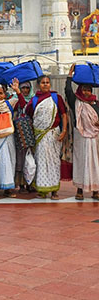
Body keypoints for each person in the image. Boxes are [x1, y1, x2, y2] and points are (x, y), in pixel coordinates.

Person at [25, 75, 68, 200]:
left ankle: (54, 190)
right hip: (39, 135)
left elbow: (64, 114)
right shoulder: (34, 100)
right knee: (41, 162)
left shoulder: (56, 98)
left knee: (54, 162)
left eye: (47, 82)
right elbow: (28, 115)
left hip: (54, 134)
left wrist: (64, 131)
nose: (45, 84)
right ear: (38, 85)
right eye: (43, 82)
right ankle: (42, 190)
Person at [65, 65, 99, 200]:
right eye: (84, 90)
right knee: (81, 162)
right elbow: (68, 91)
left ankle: (95, 190)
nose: (86, 93)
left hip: (95, 137)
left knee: (95, 162)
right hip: (80, 136)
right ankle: (79, 189)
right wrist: (69, 75)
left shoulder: (96, 103)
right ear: (80, 90)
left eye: (88, 90)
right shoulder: (76, 102)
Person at [14, 81, 35, 193]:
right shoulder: (15, 100)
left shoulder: (34, 99)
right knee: (20, 159)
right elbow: (21, 105)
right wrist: (17, 92)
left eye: (27, 88)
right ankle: (21, 184)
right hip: (19, 134)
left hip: (31, 132)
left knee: (31, 157)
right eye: (23, 88)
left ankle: (30, 183)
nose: (25, 90)